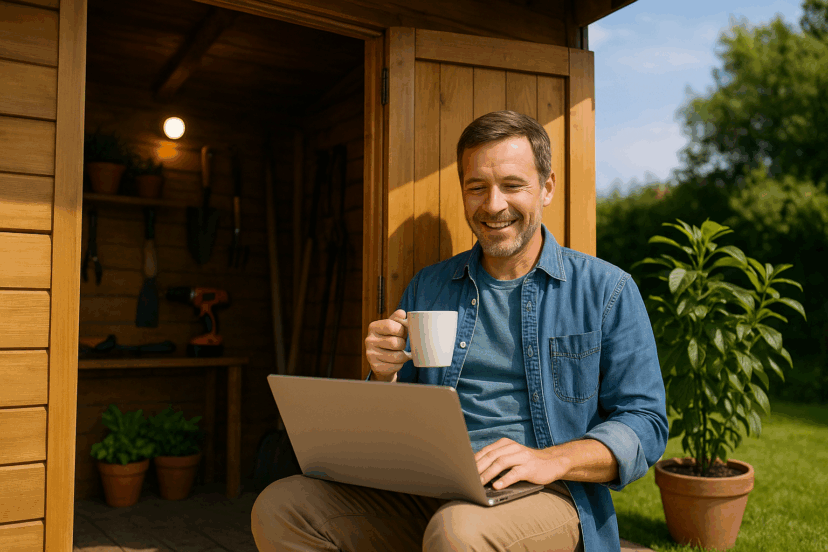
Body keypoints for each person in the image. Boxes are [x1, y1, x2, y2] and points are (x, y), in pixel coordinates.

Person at [251, 110, 668, 552]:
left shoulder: (607, 289)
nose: (493, 205)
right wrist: (385, 374)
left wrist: (548, 460)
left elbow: (646, 424)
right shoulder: (429, 286)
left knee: (457, 532)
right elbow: (394, 422)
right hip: (427, 490)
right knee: (281, 505)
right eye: (477, 188)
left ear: (546, 188)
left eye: (512, 185)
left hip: (547, 494)